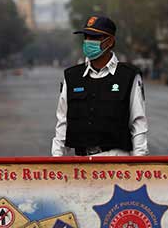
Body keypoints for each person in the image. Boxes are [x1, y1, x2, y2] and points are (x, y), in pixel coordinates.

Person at [51, 15, 148, 157]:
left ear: (109, 41)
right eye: (87, 37)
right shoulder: (72, 77)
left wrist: (140, 161)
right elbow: (62, 123)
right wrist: (56, 158)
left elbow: (138, 123)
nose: (88, 42)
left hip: (116, 162)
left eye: (94, 38)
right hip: (81, 162)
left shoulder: (128, 76)